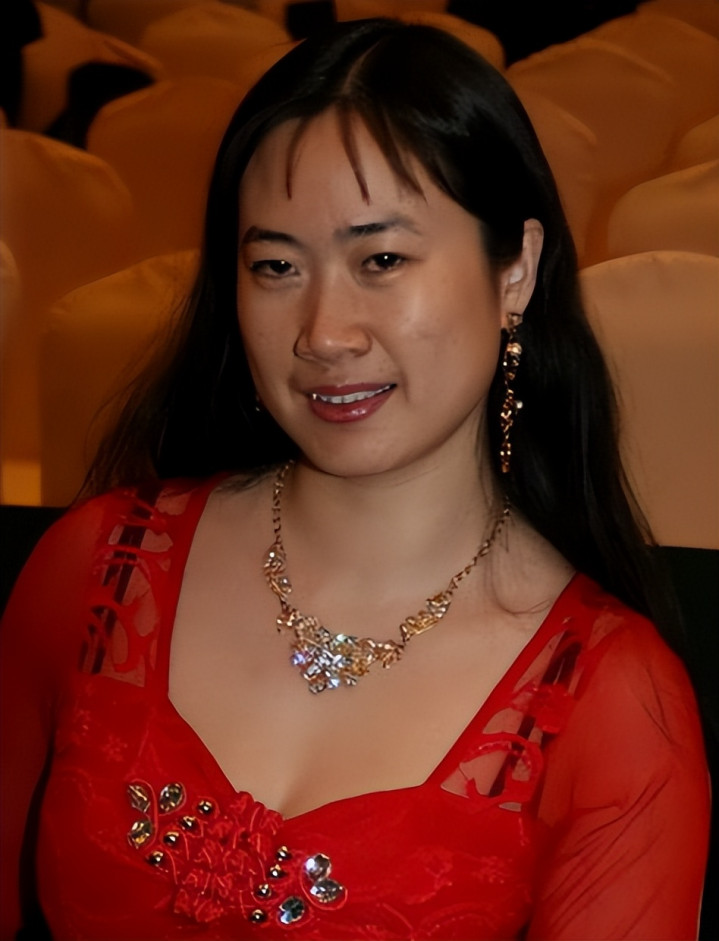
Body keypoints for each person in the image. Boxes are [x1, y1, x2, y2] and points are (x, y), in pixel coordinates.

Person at [0, 18, 709, 941]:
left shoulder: (611, 705)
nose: (323, 332)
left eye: (381, 260)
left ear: (516, 271)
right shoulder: (98, 569)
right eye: (275, 266)